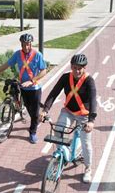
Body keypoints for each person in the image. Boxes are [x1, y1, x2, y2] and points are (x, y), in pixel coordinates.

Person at [40, 54, 97, 183]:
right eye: (75, 68)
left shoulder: (89, 81)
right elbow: (54, 93)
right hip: (69, 111)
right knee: (58, 130)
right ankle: (61, 156)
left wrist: (91, 121)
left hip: (84, 115)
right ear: (71, 66)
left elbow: (93, 100)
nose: (77, 71)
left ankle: (88, 168)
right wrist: (45, 110)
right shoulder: (66, 77)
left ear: (84, 68)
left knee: (86, 142)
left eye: (80, 68)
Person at [0, 33, 47, 144]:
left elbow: (44, 71)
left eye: (28, 44)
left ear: (31, 44)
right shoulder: (17, 54)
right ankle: (34, 119)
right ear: (21, 44)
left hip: (34, 88)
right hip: (23, 88)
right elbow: (6, 65)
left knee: (34, 113)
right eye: (24, 44)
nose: (26, 47)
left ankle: (32, 132)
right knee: (29, 108)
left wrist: (31, 81)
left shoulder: (37, 55)